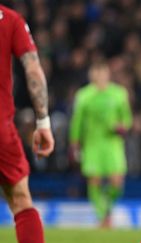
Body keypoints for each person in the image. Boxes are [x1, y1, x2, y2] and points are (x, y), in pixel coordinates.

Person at [0, 3, 55, 243]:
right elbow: (33, 68)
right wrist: (42, 122)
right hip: (1, 127)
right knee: (21, 199)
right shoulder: (11, 20)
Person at [69, 60, 133, 228]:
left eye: (102, 72)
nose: (99, 76)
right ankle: (102, 218)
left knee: (117, 183)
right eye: (96, 73)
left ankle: (106, 209)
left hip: (113, 144)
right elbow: (77, 121)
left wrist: (122, 127)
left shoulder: (119, 93)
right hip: (92, 144)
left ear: (108, 74)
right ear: (91, 76)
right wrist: (75, 142)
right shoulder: (83, 95)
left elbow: (126, 118)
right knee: (95, 181)